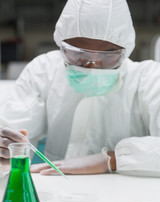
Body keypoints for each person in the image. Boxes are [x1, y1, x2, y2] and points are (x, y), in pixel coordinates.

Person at [1, 0, 160, 177]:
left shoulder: (149, 80)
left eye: (107, 56)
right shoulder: (43, 71)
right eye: (78, 54)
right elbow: (13, 135)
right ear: (61, 46)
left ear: (126, 50)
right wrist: (7, 156)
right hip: (58, 194)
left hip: (128, 197)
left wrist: (111, 159)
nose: (91, 67)